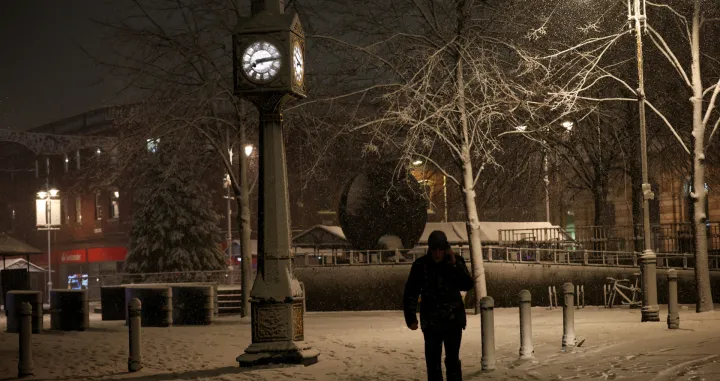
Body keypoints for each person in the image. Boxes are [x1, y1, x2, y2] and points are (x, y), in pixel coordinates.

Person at [403, 230, 474, 381]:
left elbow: (467, 284)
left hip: (452, 319)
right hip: (432, 321)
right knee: (433, 362)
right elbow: (411, 292)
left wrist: (454, 264)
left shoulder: (455, 262)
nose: (437, 254)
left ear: (445, 249)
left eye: (440, 250)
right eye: (434, 250)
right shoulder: (421, 266)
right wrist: (411, 318)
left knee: (452, 360)